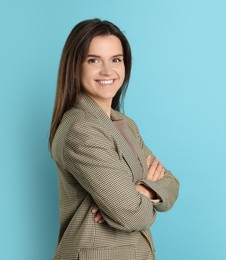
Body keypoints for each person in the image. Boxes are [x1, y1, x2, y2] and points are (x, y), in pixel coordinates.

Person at [49, 19, 180, 260]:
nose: (108, 71)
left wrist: (141, 190)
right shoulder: (81, 128)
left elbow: (171, 184)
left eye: (116, 60)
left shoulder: (125, 124)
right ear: (75, 66)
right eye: (93, 60)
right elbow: (132, 215)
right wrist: (142, 194)